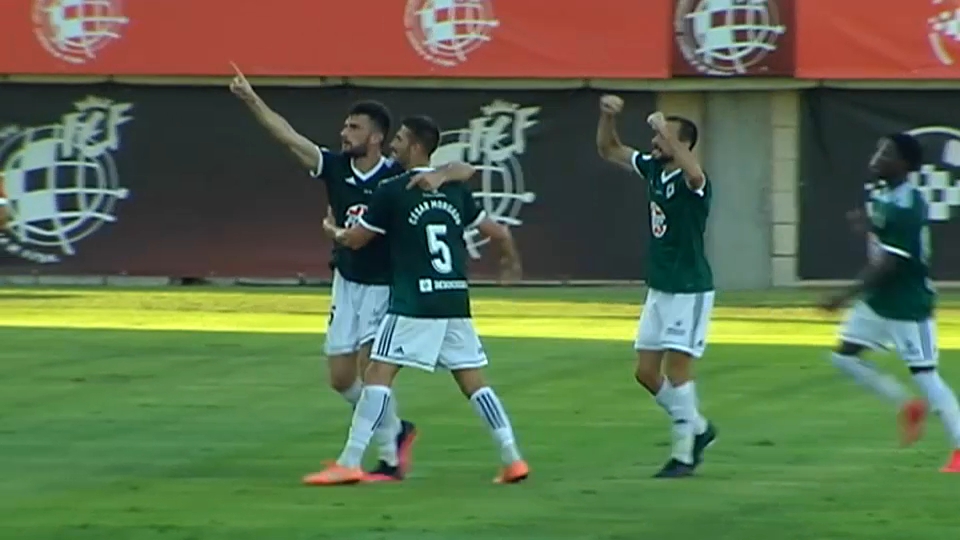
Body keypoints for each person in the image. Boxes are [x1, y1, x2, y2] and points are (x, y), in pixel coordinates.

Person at [229, 64, 476, 482]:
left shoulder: (398, 175)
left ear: (376, 136)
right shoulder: (335, 167)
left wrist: (443, 173)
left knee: (372, 370)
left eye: (354, 127)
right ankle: (398, 430)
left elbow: (463, 171)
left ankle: (385, 458)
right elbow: (288, 137)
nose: (345, 134)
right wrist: (251, 98)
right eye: (345, 126)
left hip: (385, 285)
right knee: (341, 379)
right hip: (346, 284)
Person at [304, 115, 528, 486]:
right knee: (473, 380)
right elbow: (499, 232)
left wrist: (333, 231)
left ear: (417, 146)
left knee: (377, 374)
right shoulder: (454, 189)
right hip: (454, 298)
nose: (395, 145)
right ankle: (512, 458)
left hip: (414, 301)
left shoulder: (393, 190)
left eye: (402, 140)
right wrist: (511, 265)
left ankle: (350, 460)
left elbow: (357, 240)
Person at [821, 133, 960, 473]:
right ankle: (907, 404)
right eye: (878, 149)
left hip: (907, 305)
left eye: (887, 153)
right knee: (844, 358)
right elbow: (884, 236)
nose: (877, 156)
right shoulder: (883, 192)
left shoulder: (909, 205)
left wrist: (844, 295)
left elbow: (889, 264)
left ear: (905, 165)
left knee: (926, 376)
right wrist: (866, 226)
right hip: (878, 301)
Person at [595, 94, 717, 478]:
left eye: (664, 138)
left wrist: (665, 128)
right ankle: (698, 427)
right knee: (646, 373)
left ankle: (683, 455)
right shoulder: (653, 170)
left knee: (679, 370)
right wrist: (607, 116)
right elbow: (608, 148)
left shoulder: (693, 181)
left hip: (690, 289)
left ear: (682, 144)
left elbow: (695, 173)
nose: (655, 142)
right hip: (661, 288)